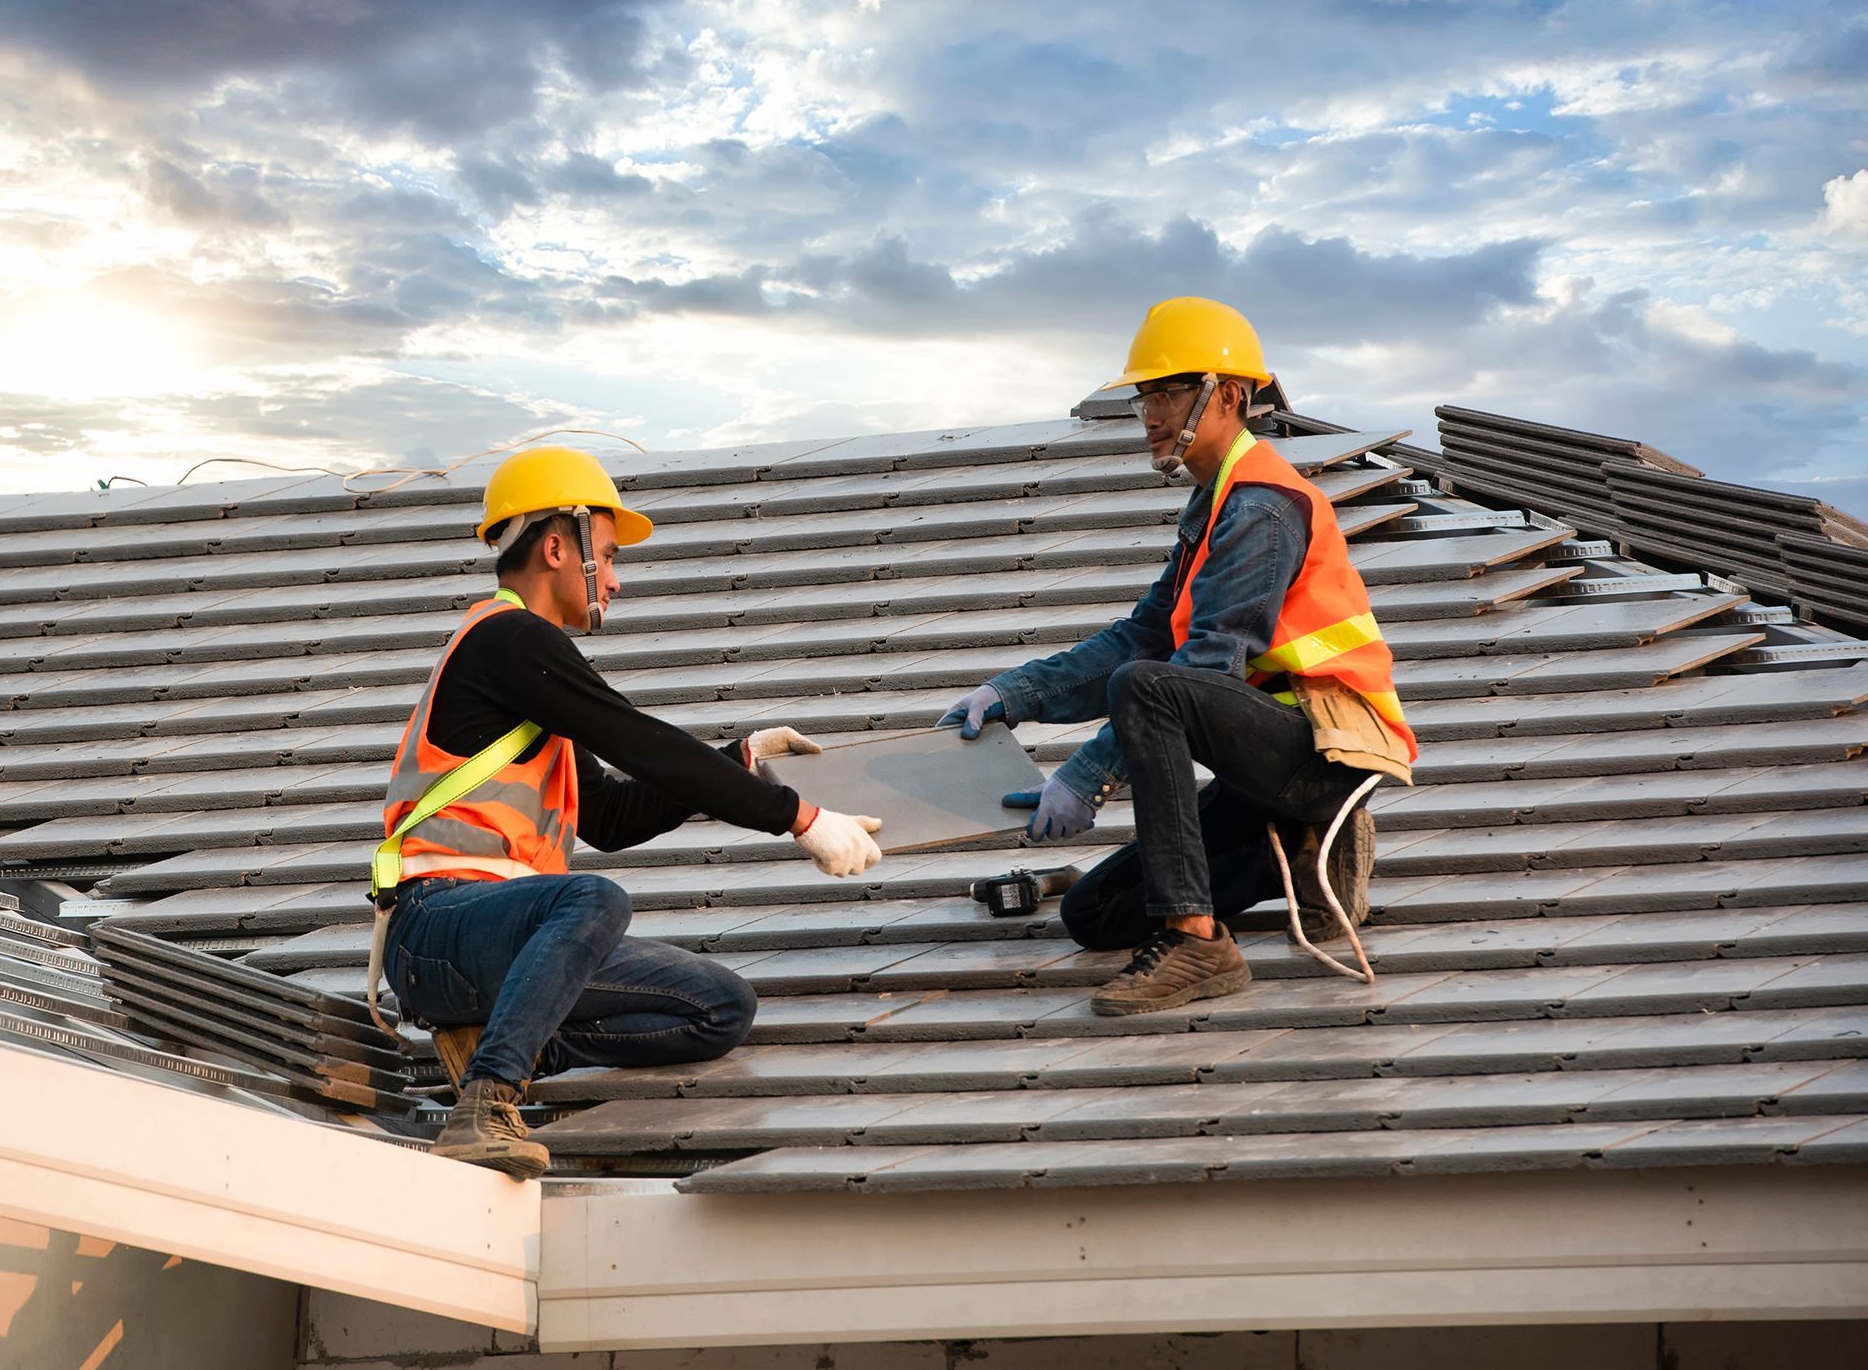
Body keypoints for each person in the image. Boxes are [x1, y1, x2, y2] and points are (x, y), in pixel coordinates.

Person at [373, 445, 885, 1178]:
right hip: (438, 930)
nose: (614, 579)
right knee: (593, 899)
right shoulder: (510, 640)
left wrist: (735, 759)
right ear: (557, 546)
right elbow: (641, 741)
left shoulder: (528, 672)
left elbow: (608, 818)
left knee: (720, 1006)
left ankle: (503, 1046)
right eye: (608, 556)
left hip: (501, 940)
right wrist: (798, 816)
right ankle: (487, 1102)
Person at [940, 298, 1415, 1016]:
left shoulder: (1262, 506)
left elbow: (1197, 671)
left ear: (1227, 395)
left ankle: (1198, 939)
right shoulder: (1217, 502)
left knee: (1151, 688)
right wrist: (1016, 693)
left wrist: (1087, 774)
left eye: (1167, 392)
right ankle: (1298, 856)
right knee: (1094, 915)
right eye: (1145, 397)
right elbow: (1146, 635)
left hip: (1325, 752)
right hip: (1268, 768)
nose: (1150, 414)